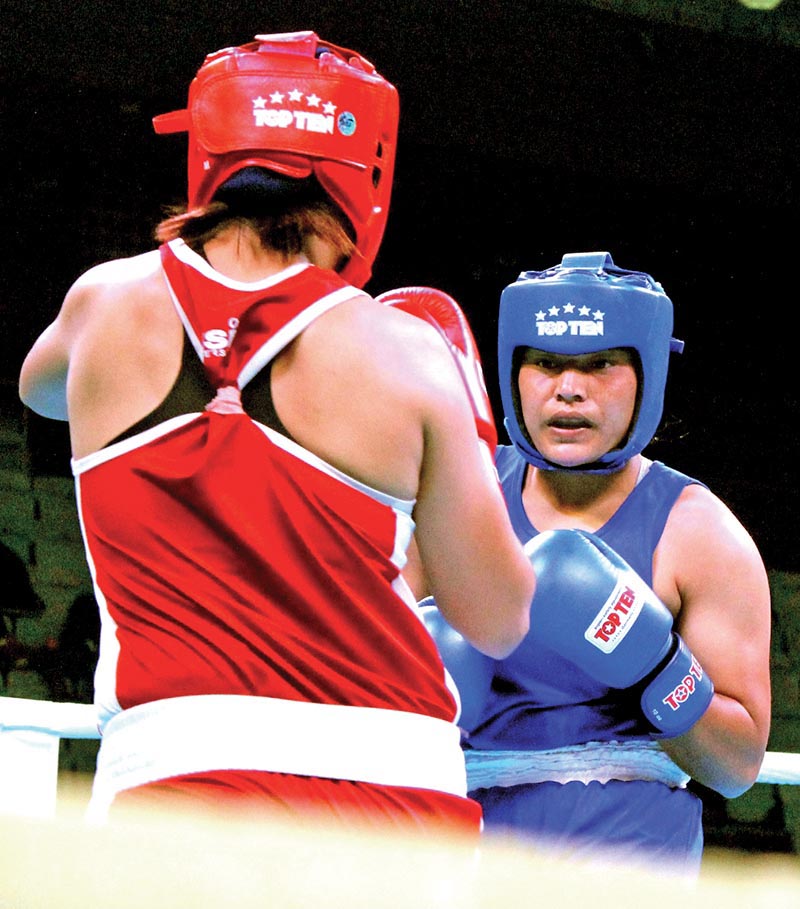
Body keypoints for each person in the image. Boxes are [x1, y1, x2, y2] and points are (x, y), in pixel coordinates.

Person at [18, 31, 537, 837]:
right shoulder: (405, 355)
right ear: (363, 174)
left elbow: (38, 391)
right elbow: (498, 617)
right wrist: (461, 443)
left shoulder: (101, 306)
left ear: (208, 148)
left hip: (176, 780)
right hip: (393, 795)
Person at [416, 251, 772, 873]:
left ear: (647, 375)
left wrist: (652, 665)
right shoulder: (459, 499)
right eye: (547, 363)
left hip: (628, 859)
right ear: (512, 371)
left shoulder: (699, 533)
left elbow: (737, 768)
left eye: (600, 363)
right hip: (460, 850)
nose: (569, 388)